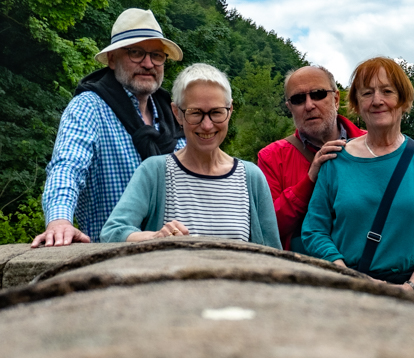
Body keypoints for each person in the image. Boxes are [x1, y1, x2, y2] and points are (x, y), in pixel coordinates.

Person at [302, 57, 414, 296]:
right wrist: (349, 278)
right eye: (367, 93)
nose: (377, 101)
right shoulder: (335, 161)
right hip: (350, 291)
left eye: (387, 91)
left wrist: (411, 287)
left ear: (404, 100)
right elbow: (314, 231)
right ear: (357, 104)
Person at [32, 9, 185, 247]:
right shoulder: (89, 107)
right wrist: (59, 221)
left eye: (157, 55)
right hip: (110, 262)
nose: (148, 63)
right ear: (112, 59)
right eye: (135, 52)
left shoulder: (175, 115)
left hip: (177, 260)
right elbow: (67, 166)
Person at [257, 65, 414, 251]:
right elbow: (266, 227)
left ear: (336, 98)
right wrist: (309, 181)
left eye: (318, 94)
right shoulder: (273, 156)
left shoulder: (379, 147)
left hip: (369, 268)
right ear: (289, 107)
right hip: (299, 275)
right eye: (298, 99)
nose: (309, 105)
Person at [101, 64, 281, 248]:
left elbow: (273, 252)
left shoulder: (251, 177)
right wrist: (155, 237)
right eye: (195, 113)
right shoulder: (154, 172)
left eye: (216, 112)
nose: (207, 125)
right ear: (177, 113)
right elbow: (112, 232)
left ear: (230, 111)